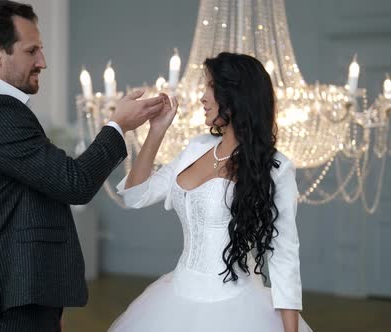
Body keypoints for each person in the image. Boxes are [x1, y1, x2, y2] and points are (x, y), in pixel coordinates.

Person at [0, 1, 166, 331]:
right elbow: (73, 183)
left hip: (23, 291)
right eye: (31, 51)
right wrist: (118, 125)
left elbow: (40, 190)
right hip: (12, 294)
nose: (42, 62)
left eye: (42, 50)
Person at [110, 52, 313, 332]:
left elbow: (284, 256)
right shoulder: (196, 148)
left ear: (236, 96)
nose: (203, 97)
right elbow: (135, 195)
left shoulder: (275, 167)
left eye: (211, 87)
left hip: (238, 308)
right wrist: (156, 131)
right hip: (174, 300)